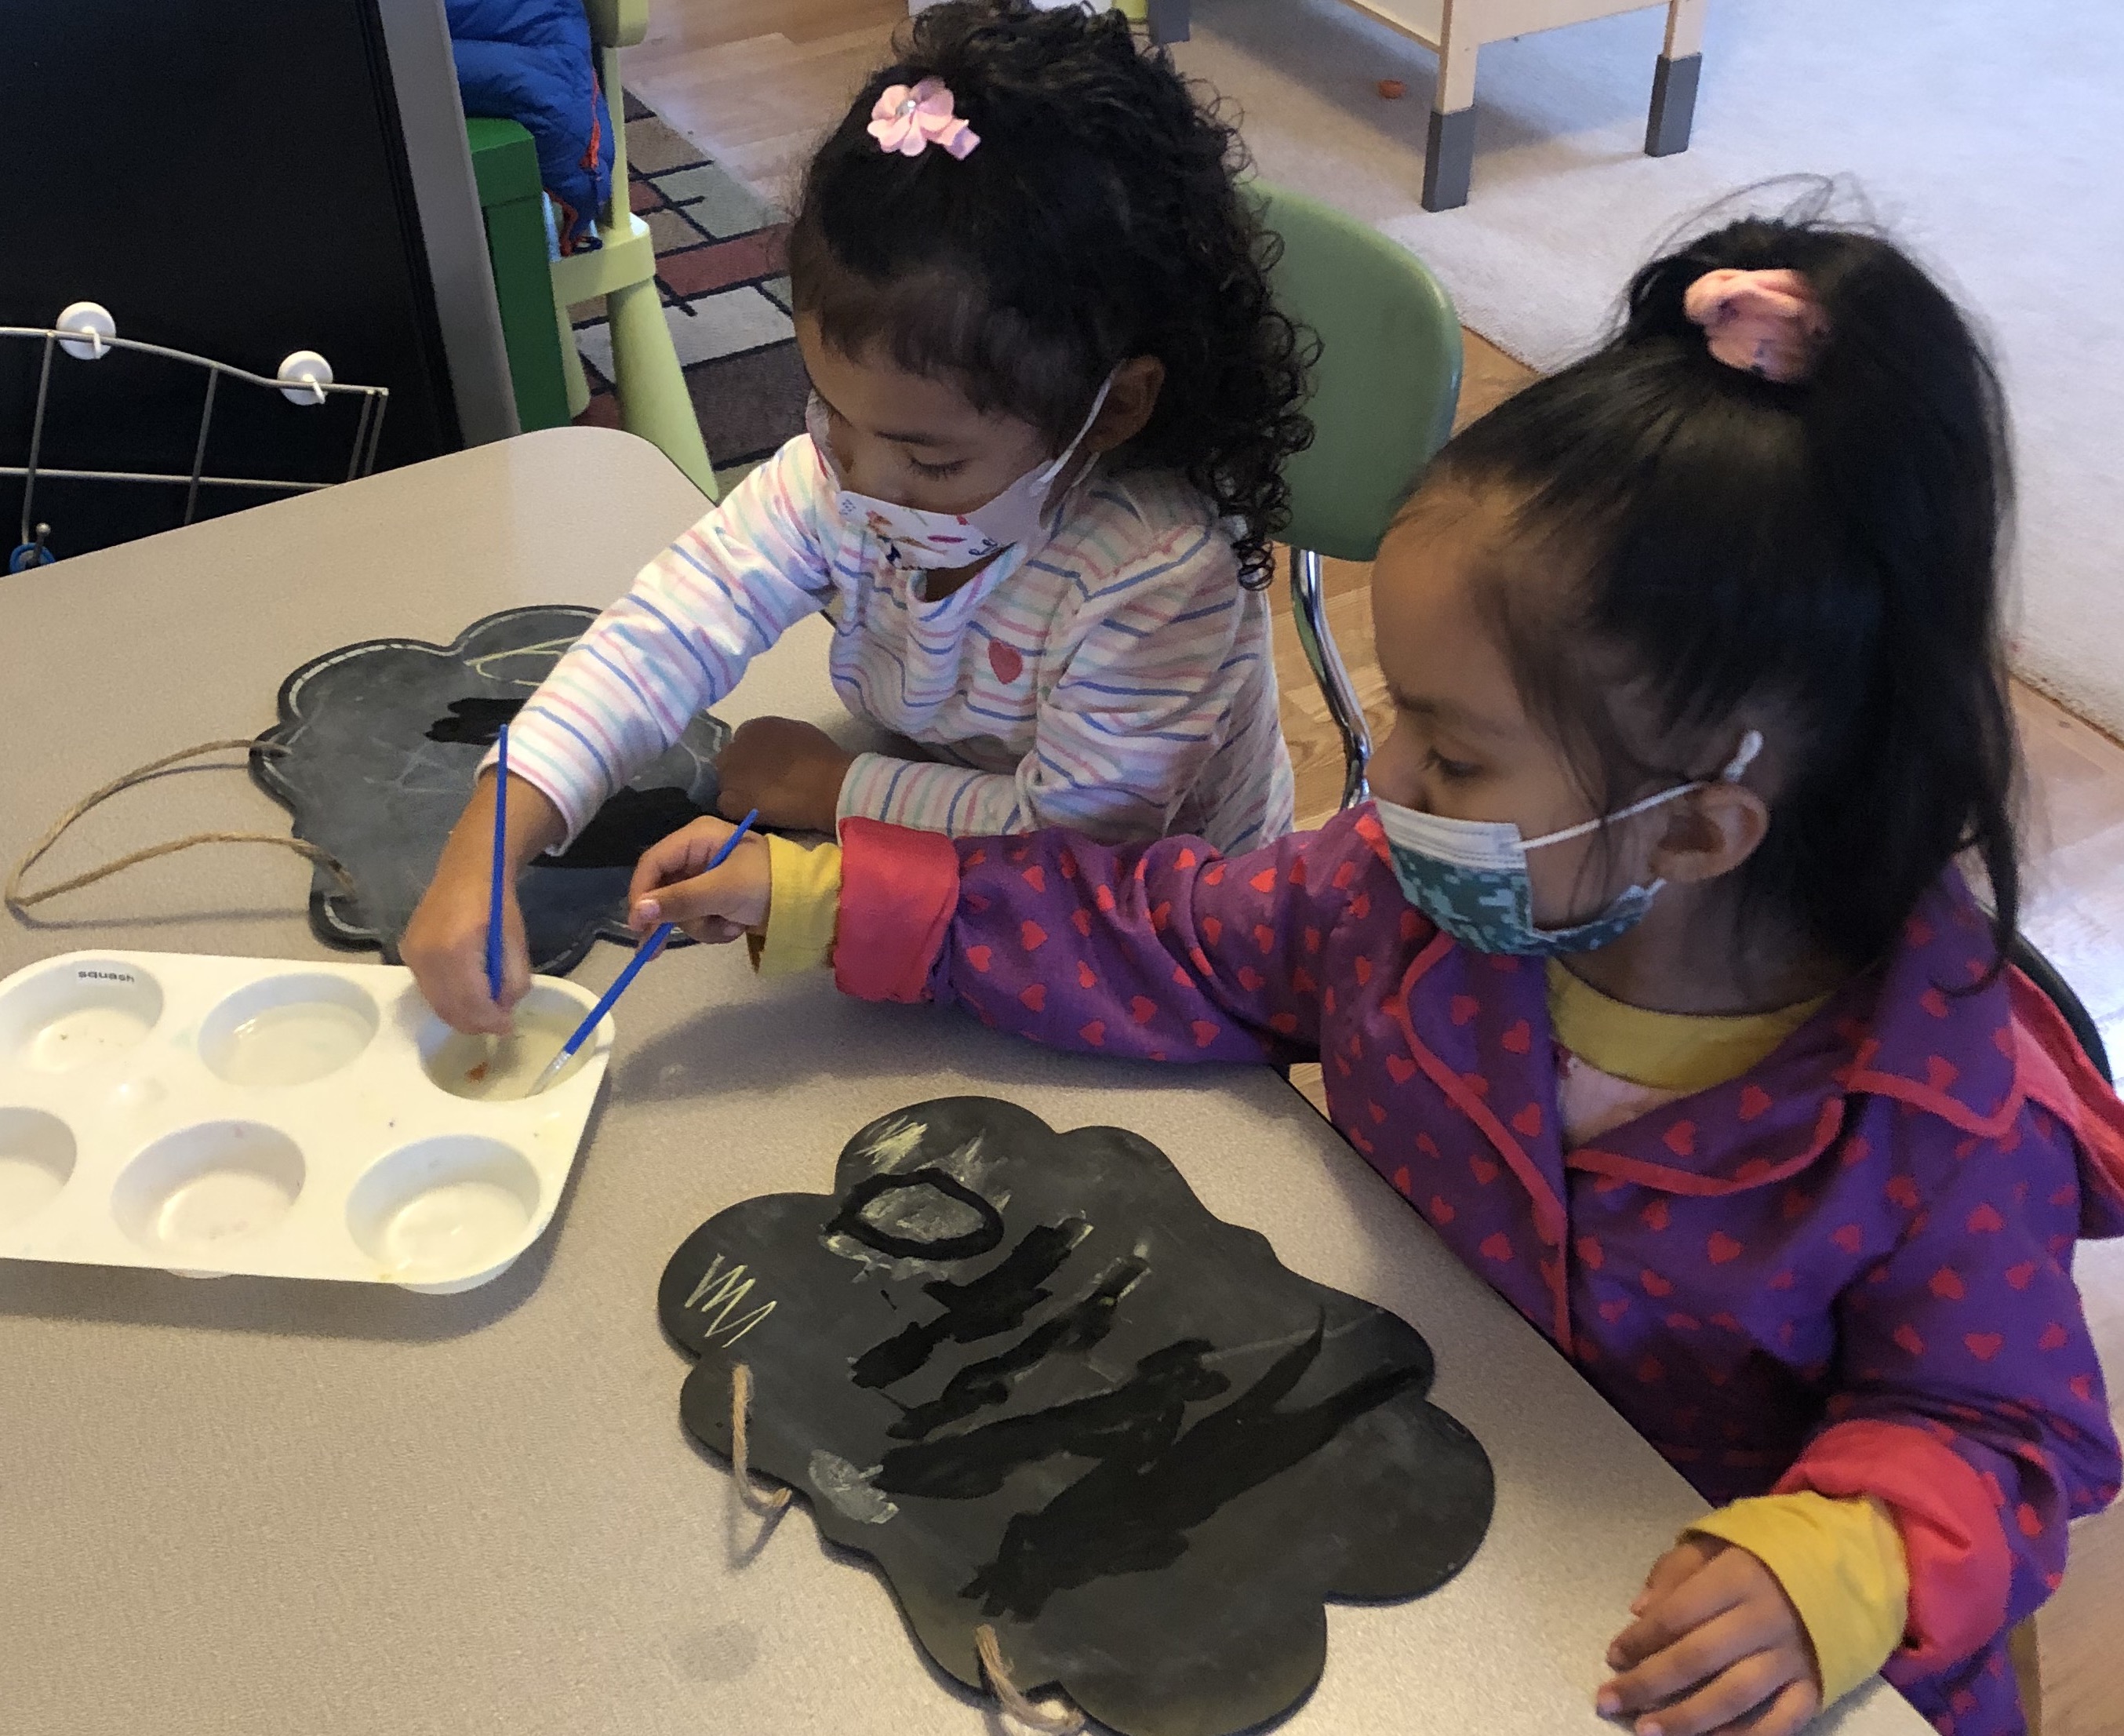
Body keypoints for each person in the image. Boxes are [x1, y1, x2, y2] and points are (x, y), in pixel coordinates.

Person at [628, 212, 2124, 1736]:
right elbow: (1161, 932)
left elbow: (2003, 1430)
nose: (1382, 777)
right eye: (1397, 712)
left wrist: (1847, 1560)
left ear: (1694, 828)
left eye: (1454, 755)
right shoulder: (1396, 896)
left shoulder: (1942, 1125)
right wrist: (839, 896)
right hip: (1398, 1520)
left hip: (1665, 1655)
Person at [404, 0, 1309, 1032]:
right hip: (946, 875)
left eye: (929, 458)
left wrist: (837, 787)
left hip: (1167, 954)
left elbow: (1072, 849)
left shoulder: (1160, 569)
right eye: (831, 412)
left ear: (1113, 410)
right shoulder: (848, 467)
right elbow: (669, 627)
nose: (859, 479)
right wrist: (492, 837)